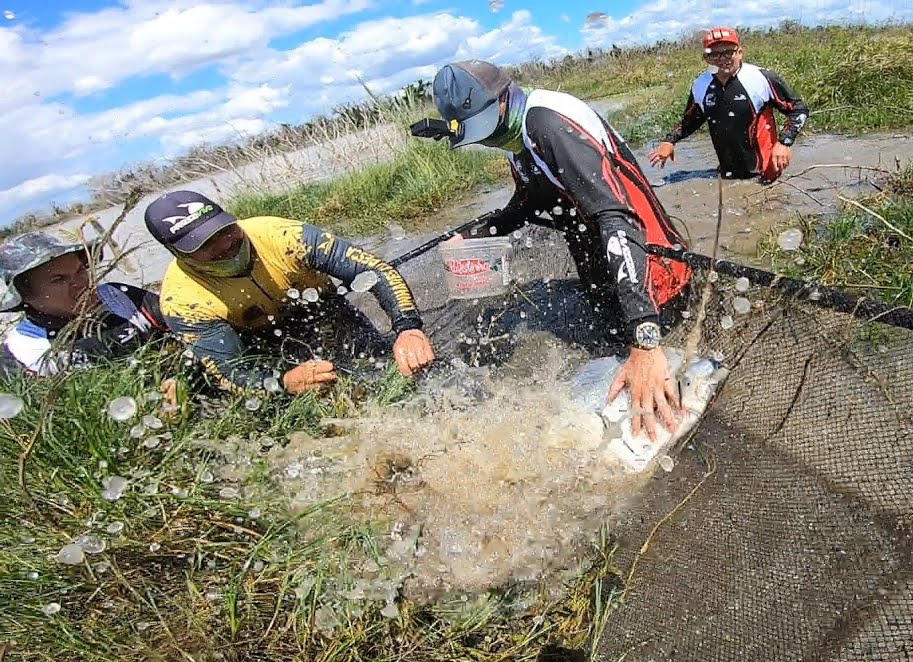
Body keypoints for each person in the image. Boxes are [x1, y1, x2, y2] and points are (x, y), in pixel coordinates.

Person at [429, 59, 693, 441]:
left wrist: (645, 339)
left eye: (483, 129)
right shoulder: (517, 135)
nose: (484, 140)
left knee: (655, 391)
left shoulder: (548, 123)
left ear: (502, 100)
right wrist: (478, 232)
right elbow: (533, 200)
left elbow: (618, 219)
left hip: (650, 273)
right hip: (605, 268)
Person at [143, 190, 436, 395]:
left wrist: (408, 328)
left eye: (225, 230)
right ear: (179, 253)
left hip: (325, 313)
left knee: (396, 373)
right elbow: (229, 372)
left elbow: (375, 271)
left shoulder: (283, 235)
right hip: (264, 346)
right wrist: (283, 382)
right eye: (206, 244)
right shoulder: (182, 302)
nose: (225, 245)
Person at [648, 26, 809, 184]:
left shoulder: (760, 78)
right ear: (706, 58)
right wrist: (669, 141)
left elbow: (799, 110)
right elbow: (691, 120)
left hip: (765, 175)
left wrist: (784, 143)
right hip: (726, 175)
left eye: (728, 52)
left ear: (739, 52)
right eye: (715, 54)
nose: (722, 59)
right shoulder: (701, 85)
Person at [0, 231, 169, 377]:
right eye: (58, 279)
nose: (80, 283)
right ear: (26, 295)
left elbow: (179, 323)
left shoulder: (118, 297)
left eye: (80, 270)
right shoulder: (20, 352)